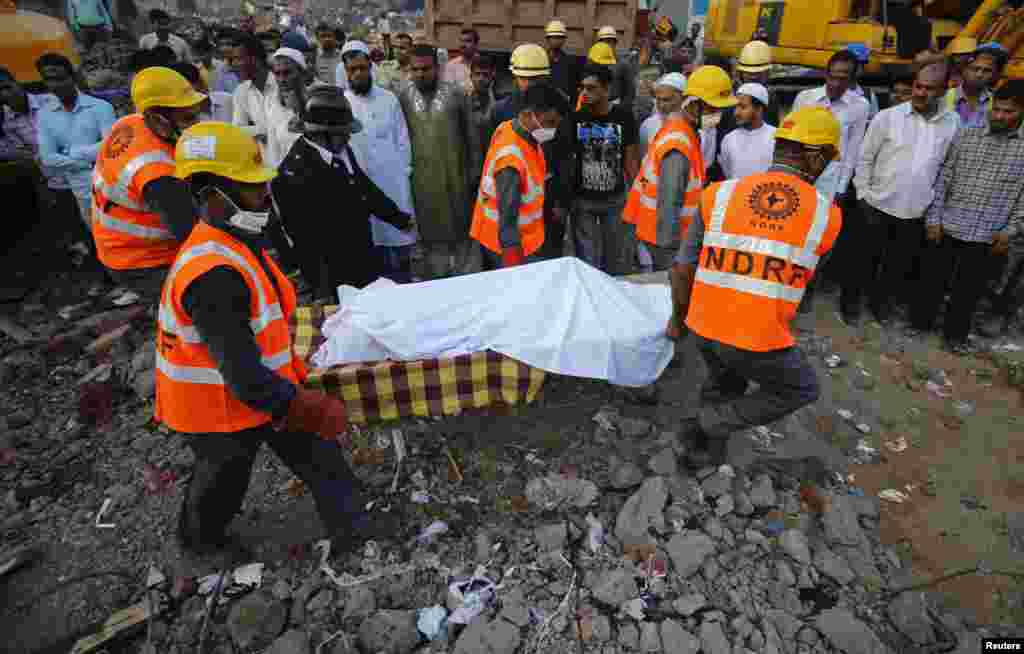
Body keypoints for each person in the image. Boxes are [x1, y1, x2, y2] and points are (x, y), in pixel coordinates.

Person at [159, 121, 400, 559]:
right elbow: (242, 374)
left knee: (318, 456)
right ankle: (200, 545)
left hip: (260, 387)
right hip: (216, 405)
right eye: (251, 189)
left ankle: (355, 527)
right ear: (211, 196)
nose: (264, 197)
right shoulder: (214, 274)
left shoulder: (232, 240)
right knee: (223, 476)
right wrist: (300, 404)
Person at [667, 106, 843, 468]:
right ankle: (703, 426)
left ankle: (703, 455)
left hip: (704, 325)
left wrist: (679, 319)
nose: (826, 167)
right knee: (801, 388)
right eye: (826, 159)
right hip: (758, 336)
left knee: (724, 381)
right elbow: (807, 279)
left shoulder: (719, 194)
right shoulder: (828, 215)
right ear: (814, 156)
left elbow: (682, 268)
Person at [910, 81, 1024, 354]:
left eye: (1008, 112)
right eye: (997, 109)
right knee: (932, 281)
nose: (999, 116)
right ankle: (921, 324)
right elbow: (943, 179)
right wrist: (934, 219)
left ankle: (955, 336)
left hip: (989, 235)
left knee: (968, 291)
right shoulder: (966, 136)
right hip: (948, 225)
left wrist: (1009, 232)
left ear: (1021, 112)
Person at [841, 63, 959, 326]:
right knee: (861, 260)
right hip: (876, 203)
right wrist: (863, 195)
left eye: (929, 89)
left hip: (915, 210)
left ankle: (879, 305)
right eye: (918, 86)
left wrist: (933, 210)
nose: (920, 93)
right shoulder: (888, 117)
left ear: (943, 91)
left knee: (896, 266)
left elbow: (946, 168)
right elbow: (864, 158)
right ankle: (850, 304)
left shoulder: (952, 123)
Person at [273, 87, 414, 299]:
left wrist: (400, 219)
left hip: (362, 259)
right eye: (343, 132)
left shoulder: (341, 151)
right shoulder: (294, 174)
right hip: (334, 278)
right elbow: (305, 243)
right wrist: (322, 291)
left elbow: (364, 189)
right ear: (322, 134)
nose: (349, 136)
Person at [91, 66, 205, 298]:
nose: (195, 124)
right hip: (142, 261)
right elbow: (194, 236)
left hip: (116, 247)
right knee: (205, 299)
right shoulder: (157, 174)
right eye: (187, 118)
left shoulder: (130, 123)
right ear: (158, 118)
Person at [623, 66, 736, 271]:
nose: (717, 115)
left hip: (663, 233)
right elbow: (670, 200)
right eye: (712, 109)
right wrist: (673, 256)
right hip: (666, 240)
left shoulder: (683, 131)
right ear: (693, 105)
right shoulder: (678, 142)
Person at [398, 44, 477, 279]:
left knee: (462, 232)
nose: (420, 74)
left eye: (426, 69)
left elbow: (472, 136)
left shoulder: (457, 95)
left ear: (438, 68)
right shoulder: (403, 98)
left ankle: (464, 279)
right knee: (429, 237)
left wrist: (474, 173)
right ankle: (436, 281)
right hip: (422, 181)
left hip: (457, 178)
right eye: (415, 69)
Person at [341, 41, 417, 283]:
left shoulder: (389, 99)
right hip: (361, 188)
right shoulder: (342, 104)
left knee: (399, 251)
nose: (358, 74)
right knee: (372, 252)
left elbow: (403, 140)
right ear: (346, 72)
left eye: (362, 68)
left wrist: (403, 175)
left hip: (393, 184)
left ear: (371, 68)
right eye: (352, 70)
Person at [470, 83, 567, 268]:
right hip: (506, 247)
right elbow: (507, 223)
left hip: (525, 238)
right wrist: (513, 268)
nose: (553, 130)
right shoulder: (510, 161)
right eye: (549, 123)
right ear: (527, 114)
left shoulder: (512, 129)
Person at [556, 63, 639, 275]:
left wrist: (637, 200)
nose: (584, 93)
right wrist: (565, 201)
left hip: (615, 201)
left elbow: (631, 162)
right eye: (582, 88)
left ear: (607, 89)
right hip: (583, 202)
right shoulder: (574, 119)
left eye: (591, 88)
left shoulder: (624, 118)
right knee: (587, 262)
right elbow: (565, 163)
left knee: (615, 260)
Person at [35, 53, 118, 234]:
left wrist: (70, 154)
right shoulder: (44, 115)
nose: (55, 85)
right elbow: (48, 158)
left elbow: (111, 147)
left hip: (110, 186)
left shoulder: (100, 107)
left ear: (72, 77)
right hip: (81, 191)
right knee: (100, 238)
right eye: (49, 80)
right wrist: (90, 159)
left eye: (60, 78)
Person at [792, 50, 870, 204]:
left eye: (842, 79)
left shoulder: (860, 106)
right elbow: (791, 139)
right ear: (825, 74)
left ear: (852, 80)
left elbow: (853, 150)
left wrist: (841, 188)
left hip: (831, 181)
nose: (835, 84)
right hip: (801, 173)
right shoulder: (805, 98)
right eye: (832, 77)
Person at [230, 34, 275, 162]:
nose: (234, 64)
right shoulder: (241, 91)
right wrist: (263, 130)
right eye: (232, 59)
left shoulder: (281, 84)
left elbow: (288, 129)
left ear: (255, 59)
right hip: (265, 163)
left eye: (238, 59)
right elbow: (237, 132)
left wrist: (257, 131)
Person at [718, 83, 776, 180]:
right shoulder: (728, 139)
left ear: (759, 109)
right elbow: (728, 173)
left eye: (743, 107)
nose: (736, 112)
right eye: (736, 107)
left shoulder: (776, 137)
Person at [265, 47, 308, 169]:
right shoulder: (273, 105)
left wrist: (299, 111)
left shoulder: (316, 102)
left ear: (301, 73)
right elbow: (273, 152)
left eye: (287, 73)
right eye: (277, 74)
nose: (281, 80)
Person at [945, 43, 1006, 128]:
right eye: (975, 69)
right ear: (964, 70)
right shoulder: (944, 98)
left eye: (987, 71)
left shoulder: (996, 101)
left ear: (994, 75)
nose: (979, 74)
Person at [467, 54, 498, 224]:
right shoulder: (462, 103)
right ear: (470, 76)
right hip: (471, 171)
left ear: (492, 76)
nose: (481, 79)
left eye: (485, 74)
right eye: (477, 74)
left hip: (492, 172)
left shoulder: (499, 104)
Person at [638, 72, 686, 155]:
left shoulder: (695, 127)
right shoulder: (647, 125)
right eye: (658, 99)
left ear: (683, 99)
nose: (661, 105)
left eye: (666, 100)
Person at [544, 20, 581, 102]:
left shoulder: (571, 63)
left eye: (559, 37)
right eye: (554, 37)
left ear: (564, 40)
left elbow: (575, 88)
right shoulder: (540, 61)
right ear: (547, 39)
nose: (556, 40)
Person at [846, 44, 880, 119]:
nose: (857, 67)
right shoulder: (830, 93)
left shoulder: (869, 95)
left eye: (860, 63)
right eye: (854, 63)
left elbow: (874, 123)